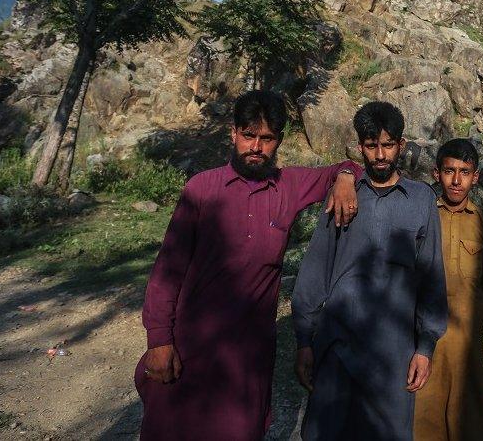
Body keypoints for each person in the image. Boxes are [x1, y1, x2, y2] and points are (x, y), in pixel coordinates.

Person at [135, 90, 362, 441]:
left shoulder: (289, 186)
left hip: (247, 357)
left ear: (279, 141)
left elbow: (346, 168)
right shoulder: (202, 189)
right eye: (248, 135)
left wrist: (345, 176)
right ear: (234, 133)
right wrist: (159, 341)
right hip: (190, 345)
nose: (256, 147)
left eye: (266, 138)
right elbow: (168, 270)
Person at [292, 101, 448, 441]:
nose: (379, 155)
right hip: (337, 346)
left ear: (401, 146)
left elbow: (431, 276)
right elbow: (316, 269)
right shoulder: (342, 196)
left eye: (387, 145)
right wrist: (305, 340)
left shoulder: (421, 200)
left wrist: (425, 347)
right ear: (360, 146)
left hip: (393, 353)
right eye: (371, 145)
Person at [414, 138, 483, 441]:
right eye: (449, 171)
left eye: (465, 172)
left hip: (468, 352)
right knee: (422, 424)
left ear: (476, 177)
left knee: (470, 427)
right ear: (436, 173)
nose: (456, 181)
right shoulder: (420, 216)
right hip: (423, 347)